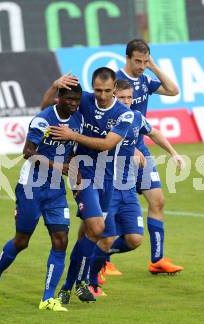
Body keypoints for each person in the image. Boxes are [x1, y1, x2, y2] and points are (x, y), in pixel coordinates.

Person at [50, 80, 184, 292]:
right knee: (101, 234)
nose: (127, 102)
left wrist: (174, 153)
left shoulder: (135, 118)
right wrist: (130, 150)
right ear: (113, 96)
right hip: (104, 185)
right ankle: (86, 280)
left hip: (128, 188)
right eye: (122, 98)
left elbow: (153, 132)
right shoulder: (104, 119)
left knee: (134, 239)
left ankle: (92, 261)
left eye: (130, 98)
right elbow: (104, 144)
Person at [0, 84, 83, 312]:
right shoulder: (43, 119)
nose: (74, 103)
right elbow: (27, 152)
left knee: (61, 240)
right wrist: (57, 165)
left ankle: (48, 298)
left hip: (55, 190)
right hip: (31, 186)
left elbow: (73, 154)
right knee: (22, 240)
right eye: (69, 99)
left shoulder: (78, 121)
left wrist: (76, 176)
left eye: (77, 100)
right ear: (59, 98)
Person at [41, 68, 134, 302]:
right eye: (97, 90)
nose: (101, 95)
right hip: (81, 173)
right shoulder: (83, 99)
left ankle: (69, 286)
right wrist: (55, 85)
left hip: (107, 178)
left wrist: (73, 135)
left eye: (106, 91)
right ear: (92, 87)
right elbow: (45, 110)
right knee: (97, 228)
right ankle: (81, 282)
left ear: (115, 89)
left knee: (89, 233)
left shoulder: (124, 115)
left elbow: (106, 145)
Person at [116, 38, 184, 274]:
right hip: (116, 152)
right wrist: (126, 145)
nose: (141, 65)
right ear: (127, 58)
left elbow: (174, 90)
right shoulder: (114, 81)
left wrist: (154, 68)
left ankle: (157, 260)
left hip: (140, 149)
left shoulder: (145, 80)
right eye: (138, 61)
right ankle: (101, 257)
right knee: (111, 208)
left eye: (145, 61)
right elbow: (103, 116)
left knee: (158, 201)